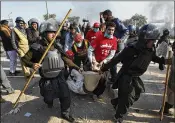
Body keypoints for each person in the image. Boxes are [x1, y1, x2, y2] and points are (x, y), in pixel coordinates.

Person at [100, 24, 165, 122]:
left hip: (136, 77)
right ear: (145, 39)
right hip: (126, 76)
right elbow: (116, 59)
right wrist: (104, 68)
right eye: (152, 40)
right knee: (127, 98)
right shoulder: (131, 49)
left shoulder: (150, 49)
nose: (154, 42)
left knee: (137, 94)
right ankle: (118, 116)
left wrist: (162, 61)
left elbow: (153, 57)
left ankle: (116, 103)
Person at [21, 21, 80, 122]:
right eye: (51, 32)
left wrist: (77, 67)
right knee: (48, 98)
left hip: (60, 76)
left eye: (55, 32)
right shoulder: (36, 47)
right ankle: (49, 101)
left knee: (65, 95)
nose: (54, 34)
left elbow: (65, 59)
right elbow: (24, 59)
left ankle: (65, 113)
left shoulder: (56, 45)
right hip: (47, 78)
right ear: (44, 33)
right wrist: (32, 65)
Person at [88, 22, 118, 99]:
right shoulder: (98, 37)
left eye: (112, 30)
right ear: (105, 29)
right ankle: (94, 93)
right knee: (95, 78)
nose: (111, 32)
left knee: (104, 80)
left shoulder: (114, 40)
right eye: (109, 30)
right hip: (96, 63)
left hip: (105, 63)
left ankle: (99, 93)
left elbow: (112, 54)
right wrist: (92, 61)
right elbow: (90, 50)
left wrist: (103, 61)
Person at [160, 41, 175, 116]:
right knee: (171, 99)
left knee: (171, 99)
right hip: (172, 83)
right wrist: (162, 61)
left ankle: (165, 108)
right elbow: (167, 61)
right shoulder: (173, 58)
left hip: (172, 82)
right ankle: (165, 108)